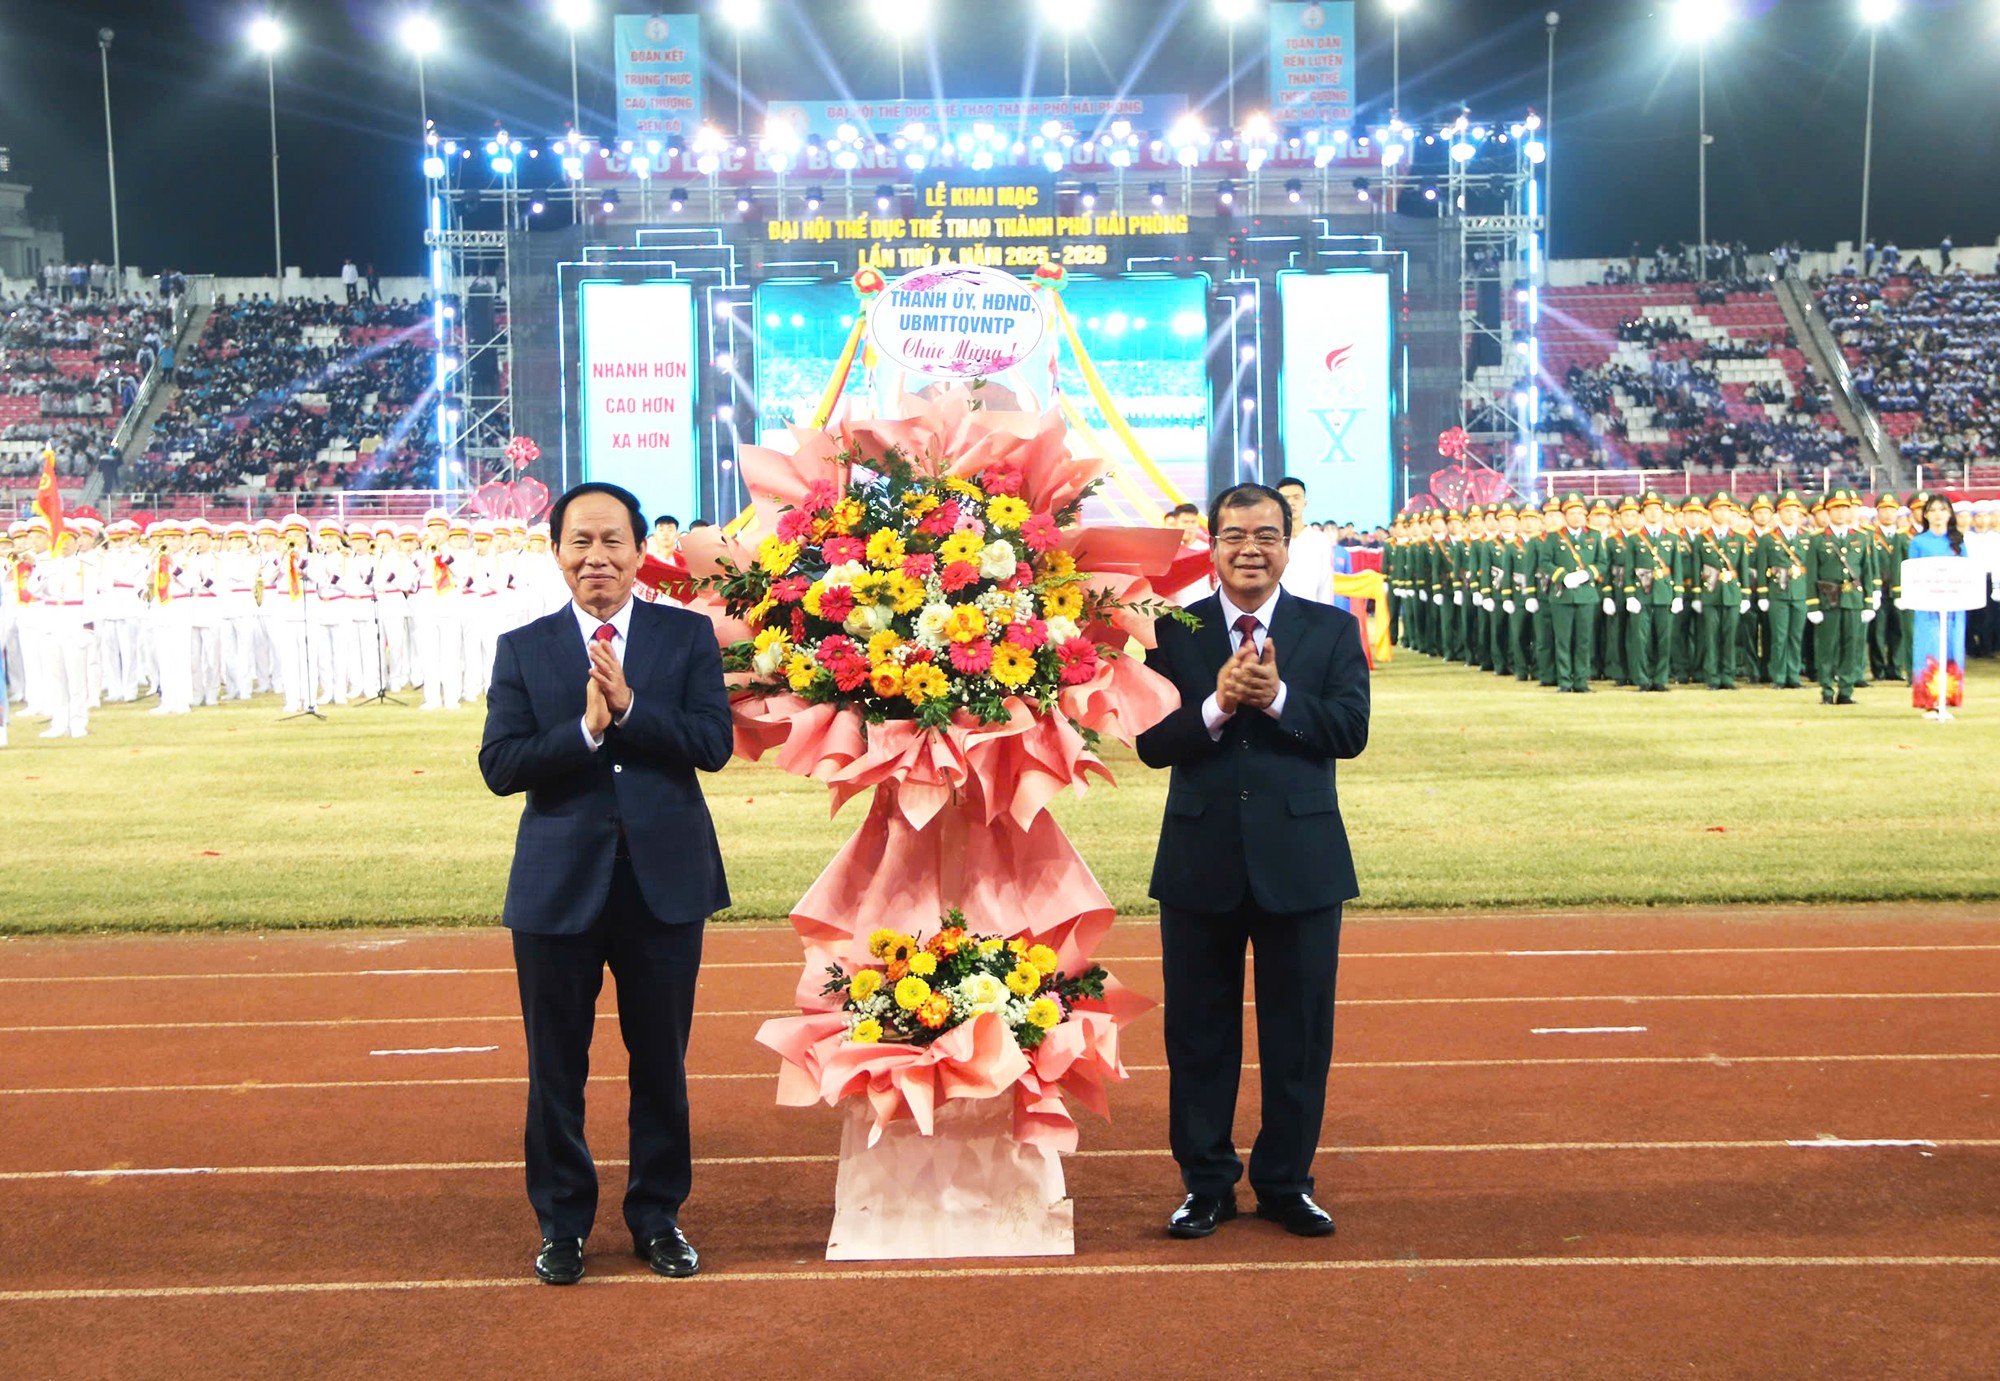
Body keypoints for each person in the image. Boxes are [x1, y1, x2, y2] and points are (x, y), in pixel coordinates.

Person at [479, 481, 733, 1286]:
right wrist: (586, 728)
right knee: (556, 1066)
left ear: (638, 551)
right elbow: (501, 765)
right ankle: (563, 1223)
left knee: (661, 1061)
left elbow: (712, 743)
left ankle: (657, 1216)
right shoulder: (523, 647)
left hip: (664, 881)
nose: (598, 557)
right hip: (559, 886)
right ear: (556, 551)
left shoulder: (686, 637)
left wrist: (628, 708)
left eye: (613, 541)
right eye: (580, 541)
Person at [1135, 481, 1370, 1243]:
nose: (1249, 549)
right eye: (1234, 535)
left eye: (1266, 535)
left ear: (1287, 545)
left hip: (1301, 862)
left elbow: (1350, 729)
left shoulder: (1330, 631)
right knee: (1199, 1035)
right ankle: (1205, 1184)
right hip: (1200, 858)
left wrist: (1274, 699)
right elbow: (1149, 742)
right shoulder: (1172, 632)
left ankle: (1285, 1182)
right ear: (1211, 545)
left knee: (1299, 1035)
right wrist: (1215, 704)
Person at [1806, 488, 1880, 706]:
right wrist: (1812, 605)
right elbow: (1811, 573)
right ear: (1827, 512)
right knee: (1826, 647)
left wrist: (1869, 602)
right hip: (1828, 599)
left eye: (1844, 508)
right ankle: (1827, 690)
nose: (1840, 513)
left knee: (1852, 645)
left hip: (1853, 600)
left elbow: (1867, 571)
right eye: (1836, 508)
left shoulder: (1862, 538)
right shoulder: (1818, 539)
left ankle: (1846, 690)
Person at [1906, 494, 1968, 717]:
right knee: (1930, 650)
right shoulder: (1918, 542)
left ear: (1950, 513)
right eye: (1933, 510)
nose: (1938, 514)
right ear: (1925, 515)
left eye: (1942, 509)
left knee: (1952, 649)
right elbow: (1911, 574)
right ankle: (1930, 700)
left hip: (1954, 607)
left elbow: (1966, 572)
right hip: (1928, 607)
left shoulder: (1958, 540)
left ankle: (1949, 698)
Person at [1274, 477, 1333, 604]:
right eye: (1286, 498)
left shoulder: (1320, 540)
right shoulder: (1271, 540)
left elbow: (1325, 584)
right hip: (1277, 612)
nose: (1291, 503)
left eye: (1296, 497)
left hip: (1311, 613)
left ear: (1304, 503)